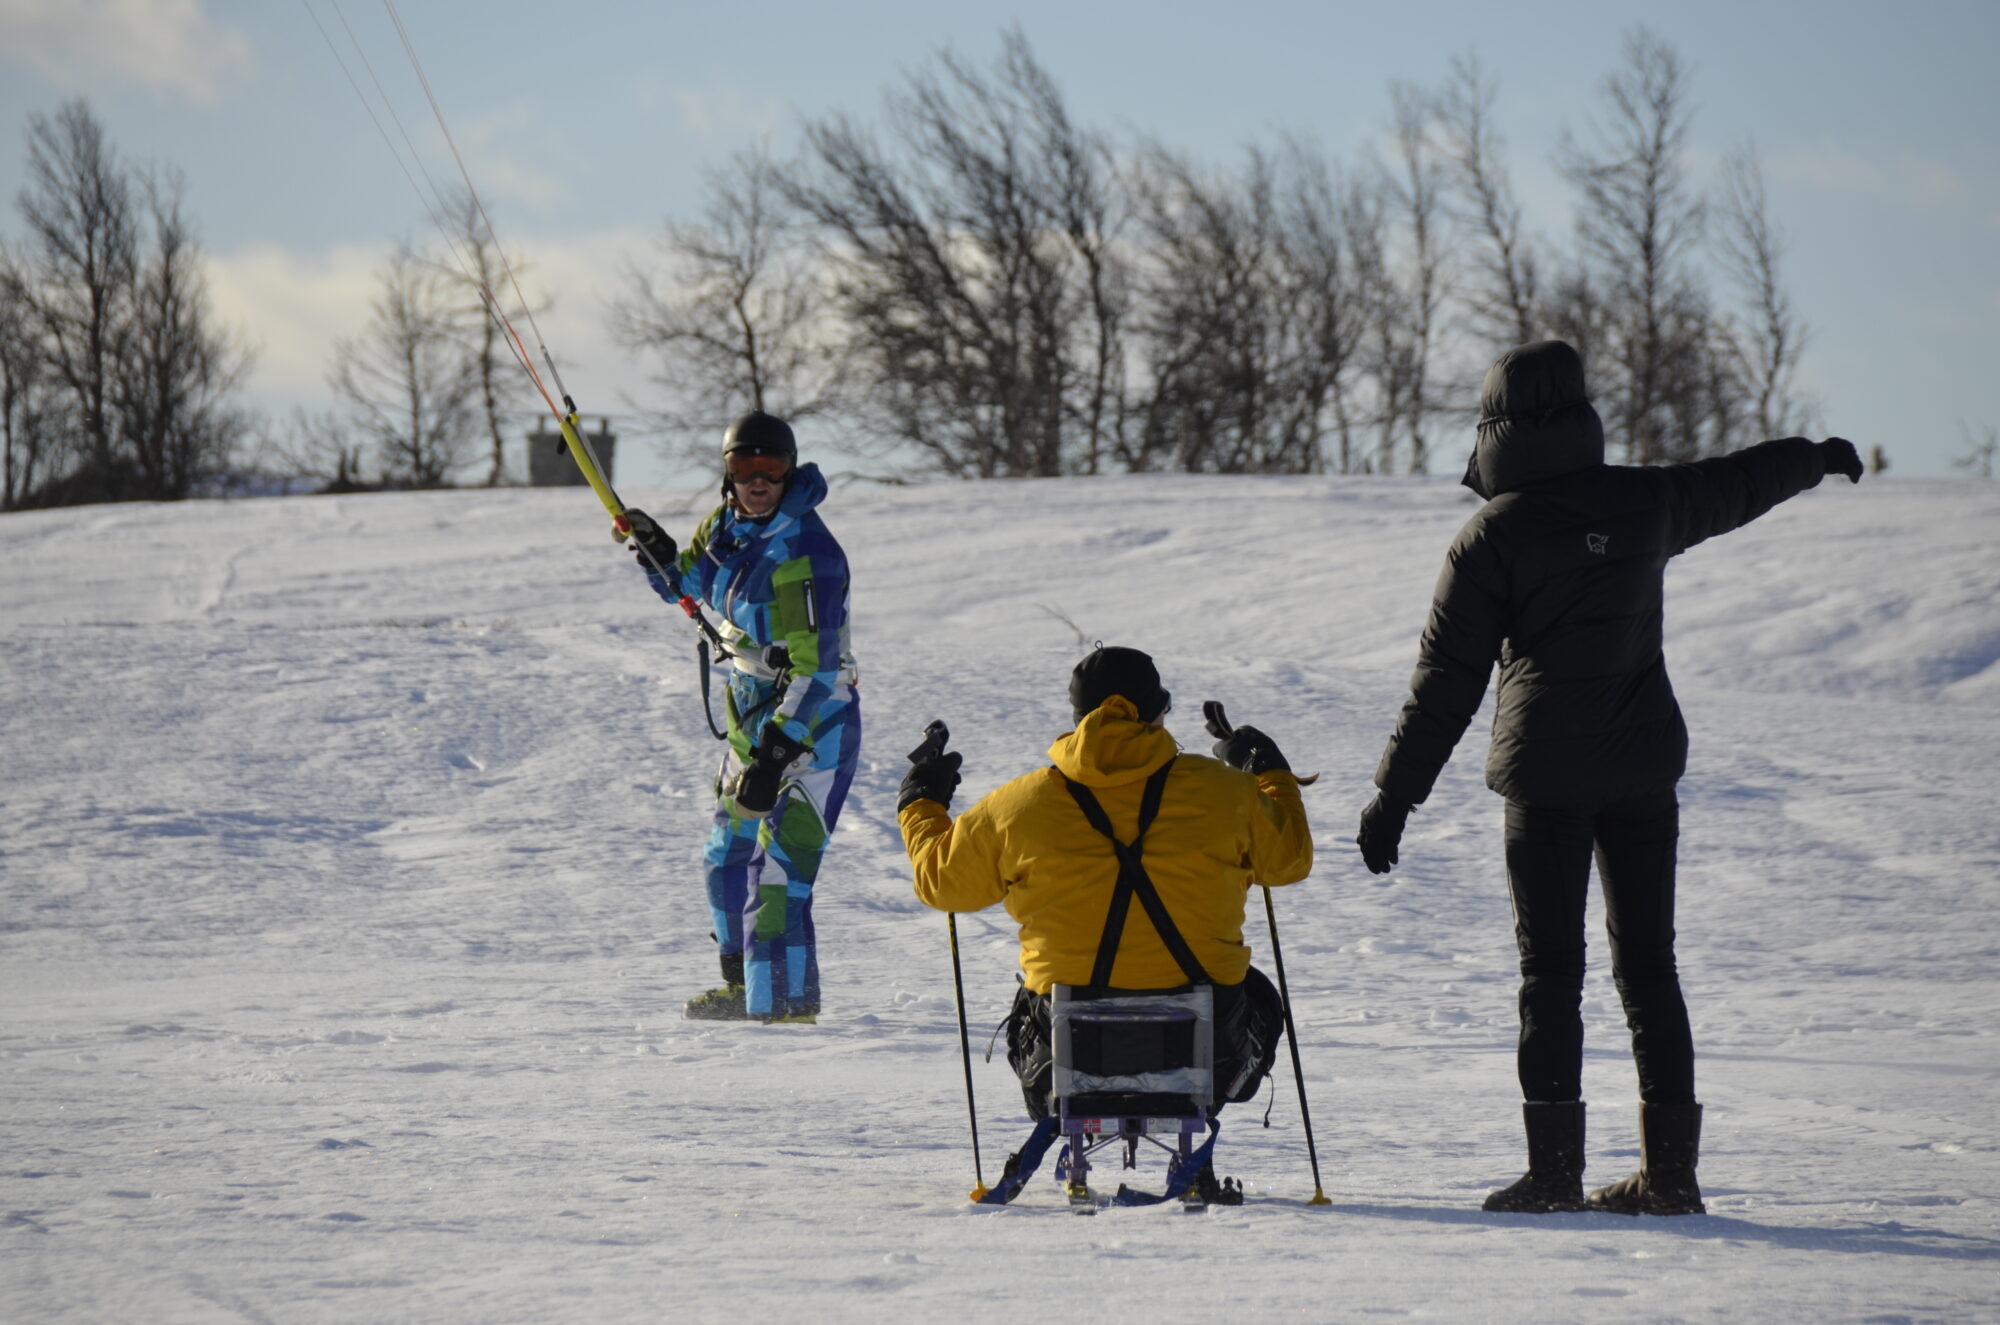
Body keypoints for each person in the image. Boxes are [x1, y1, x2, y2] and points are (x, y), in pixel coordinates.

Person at [1355, 340, 1865, 1216]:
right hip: (1640, 770)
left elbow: (1447, 680)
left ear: (1495, 426)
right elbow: (1737, 483)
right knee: (1649, 967)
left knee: (1550, 971)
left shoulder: (1491, 535)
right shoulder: (1646, 501)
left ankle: (1553, 1173)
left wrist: (1395, 797)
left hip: (1544, 776)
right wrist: (1813, 458)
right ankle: (1670, 1178)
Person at [898, 646, 1314, 1138]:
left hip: (1060, 1060)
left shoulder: (1016, 807)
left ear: (1078, 720)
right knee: (1257, 993)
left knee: (1031, 999)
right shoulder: (1225, 794)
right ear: (1157, 712)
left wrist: (920, 802)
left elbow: (940, 883)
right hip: (1214, 1055)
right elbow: (1289, 860)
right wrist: (1269, 774)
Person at [620, 410, 861, 1024]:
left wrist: (776, 755)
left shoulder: (807, 552)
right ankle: (740, 987)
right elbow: (692, 584)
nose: (757, 480)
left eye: (771, 468)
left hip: (813, 728)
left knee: (778, 874)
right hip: (751, 721)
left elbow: (818, 670)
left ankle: (784, 1006)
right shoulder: (726, 528)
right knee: (725, 857)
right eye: (743, 467)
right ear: (728, 475)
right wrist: (657, 550)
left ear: (788, 471)